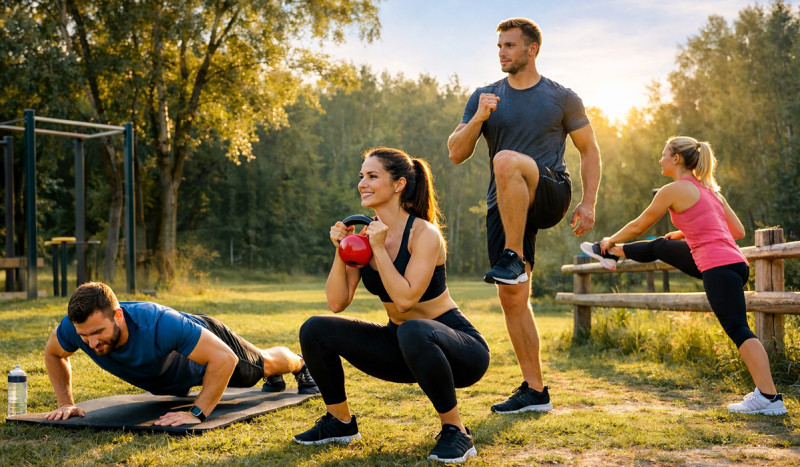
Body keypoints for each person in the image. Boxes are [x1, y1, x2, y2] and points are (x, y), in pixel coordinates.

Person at [294, 147, 491, 463]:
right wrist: (341, 249)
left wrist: (379, 250)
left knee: (413, 330)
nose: (363, 183)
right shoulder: (366, 235)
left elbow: (406, 299)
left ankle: (456, 431)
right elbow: (337, 302)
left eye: (373, 176)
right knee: (315, 329)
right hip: (401, 345)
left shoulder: (424, 234)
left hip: (458, 351)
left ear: (399, 184)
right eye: (362, 176)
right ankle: (340, 422)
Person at [447, 17, 601, 413]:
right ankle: (535, 391)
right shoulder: (485, 96)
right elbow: (456, 152)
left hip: (550, 189)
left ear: (532, 49)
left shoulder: (562, 97)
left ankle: (512, 256)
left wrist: (588, 202)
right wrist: (479, 118)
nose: (502, 52)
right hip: (505, 203)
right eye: (499, 46)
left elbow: (589, 150)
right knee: (512, 297)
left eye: (510, 45)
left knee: (505, 160)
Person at [583, 136, 787, 416]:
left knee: (738, 328)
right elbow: (737, 231)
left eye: (664, 154)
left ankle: (769, 397)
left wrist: (610, 238)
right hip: (733, 262)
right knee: (662, 246)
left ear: (676, 158)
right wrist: (683, 231)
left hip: (717, 265)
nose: (660, 159)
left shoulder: (673, 190)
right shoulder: (710, 191)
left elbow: (639, 224)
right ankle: (613, 255)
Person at [43, 282, 319, 426]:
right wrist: (65, 402)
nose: (91, 343)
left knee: (261, 365)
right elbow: (54, 354)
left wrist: (197, 412)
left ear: (118, 315)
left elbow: (225, 359)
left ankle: (300, 365)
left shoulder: (159, 323)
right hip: (177, 369)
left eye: (98, 332)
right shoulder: (74, 328)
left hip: (208, 341)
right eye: (84, 336)